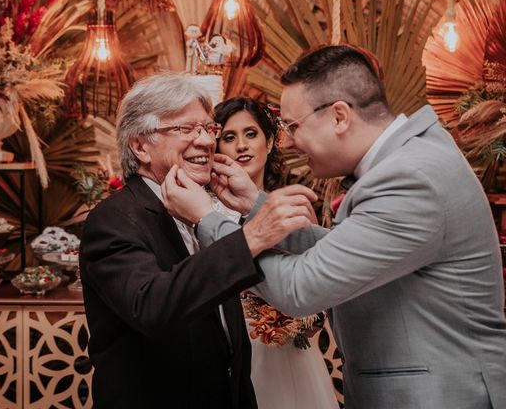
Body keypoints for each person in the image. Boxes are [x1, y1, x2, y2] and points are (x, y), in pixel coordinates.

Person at [162, 45, 506, 408]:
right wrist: (255, 203)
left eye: (293, 127)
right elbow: (349, 248)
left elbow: (301, 288)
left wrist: (209, 221)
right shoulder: (411, 159)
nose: (289, 142)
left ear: (339, 116)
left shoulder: (410, 178)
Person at [79, 73, 263, 409]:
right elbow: (151, 306)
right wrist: (247, 239)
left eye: (209, 128)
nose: (207, 141)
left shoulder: (204, 207)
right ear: (140, 146)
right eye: (186, 129)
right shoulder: (114, 219)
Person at [214, 97, 338, 409]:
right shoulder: (207, 218)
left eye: (251, 134)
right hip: (227, 351)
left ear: (269, 142)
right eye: (229, 137)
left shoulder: (292, 205)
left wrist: (300, 318)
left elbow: (319, 280)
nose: (241, 145)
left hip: (285, 352)